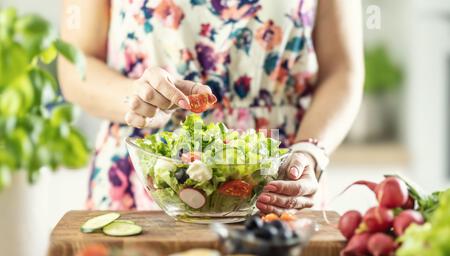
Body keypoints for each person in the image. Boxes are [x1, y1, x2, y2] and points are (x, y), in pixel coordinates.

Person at [59, 0, 364, 214]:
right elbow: (74, 68)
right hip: (148, 174)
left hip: (275, 176)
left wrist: (310, 152)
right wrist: (138, 97)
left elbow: (342, 71)